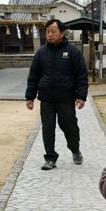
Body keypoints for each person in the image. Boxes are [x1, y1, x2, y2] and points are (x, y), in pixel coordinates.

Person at [25, 19, 88, 170]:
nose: (50, 34)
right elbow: (33, 76)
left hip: (66, 98)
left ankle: (75, 149)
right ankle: (50, 158)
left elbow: (81, 75)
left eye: (53, 31)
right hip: (46, 98)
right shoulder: (41, 53)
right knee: (47, 128)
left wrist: (81, 96)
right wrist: (30, 96)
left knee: (69, 126)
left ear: (62, 33)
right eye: (47, 32)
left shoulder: (72, 52)